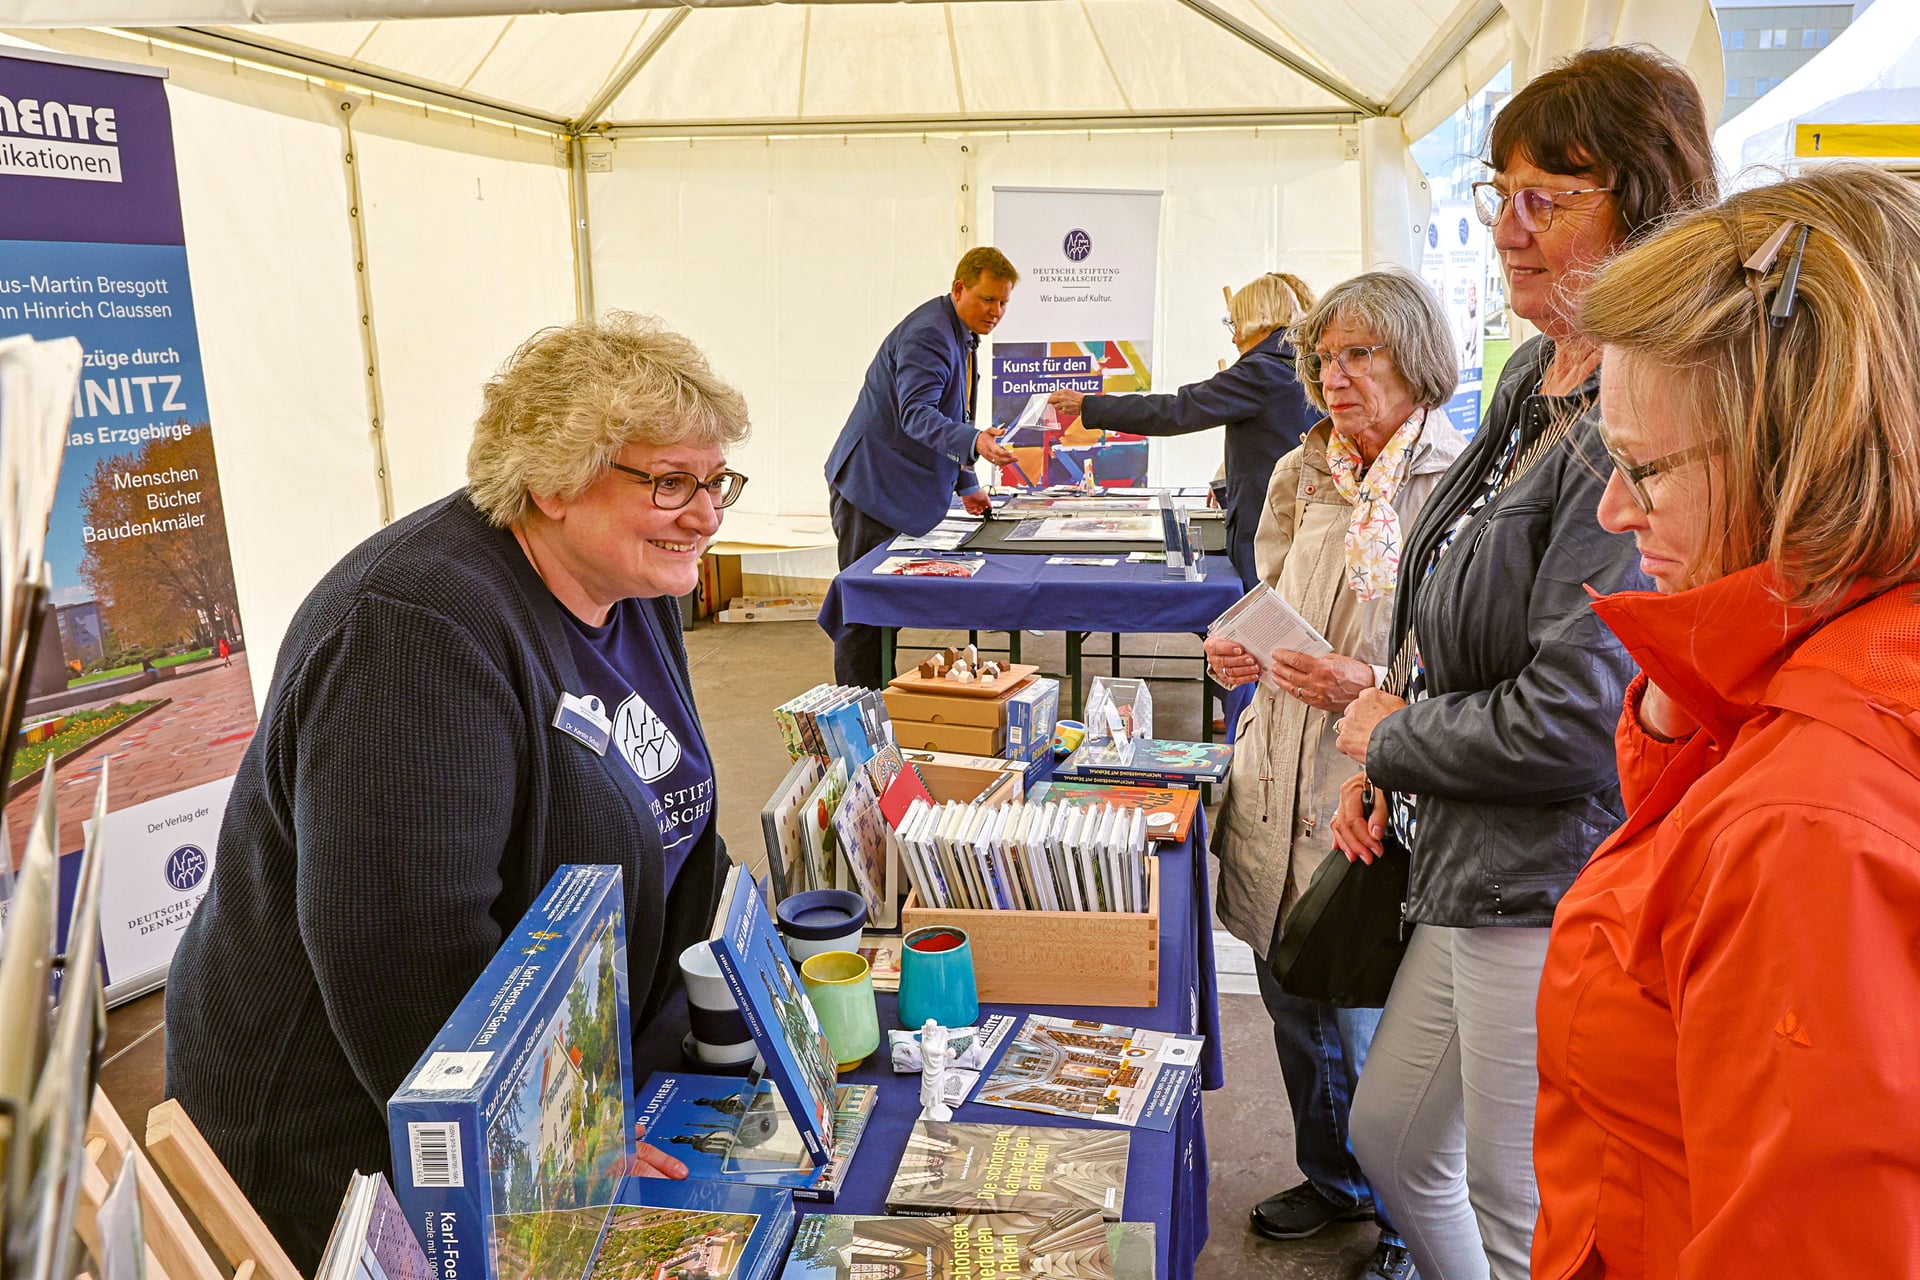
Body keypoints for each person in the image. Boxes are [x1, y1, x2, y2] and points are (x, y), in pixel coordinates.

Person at [165, 313, 749, 1269]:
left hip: (561, 1083)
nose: (706, 515)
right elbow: (401, 951)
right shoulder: (411, 630)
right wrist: (548, 1149)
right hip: (348, 1132)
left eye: (715, 481)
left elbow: (675, 816)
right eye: (670, 483)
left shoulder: (635, 588)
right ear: (555, 483)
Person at [1326, 46, 1717, 1280]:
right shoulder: (1530, 380)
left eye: (1547, 198)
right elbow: (1447, 593)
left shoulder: (1638, 411)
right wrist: (1389, 746)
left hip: (1548, 874)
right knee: (1395, 1138)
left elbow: (1571, 719)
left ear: (1643, 202)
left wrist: (1391, 733)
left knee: (1523, 1200)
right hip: (1466, 854)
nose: (1507, 228)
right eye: (1499, 193)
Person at [1532, 165, 1920, 1277]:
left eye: (1643, 469)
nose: (1614, 509)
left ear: (1807, 459)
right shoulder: (1830, 684)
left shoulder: (1808, 822)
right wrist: (1688, 703)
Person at [1203, 268, 1466, 1280]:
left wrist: (1377, 685)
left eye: (1361, 354)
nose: (1336, 376)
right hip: (1278, 772)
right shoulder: (1302, 469)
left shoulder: (1457, 482)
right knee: (1291, 996)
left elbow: (1473, 660)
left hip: (1374, 787)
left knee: (1371, 1023)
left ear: (1417, 359)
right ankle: (1335, 1178)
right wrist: (1236, 645)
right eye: (1323, 357)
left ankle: (1404, 1221)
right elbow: (1272, 592)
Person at [1048, 272, 1320, 588]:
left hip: (1267, 525)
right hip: (1297, 518)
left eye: (1235, 324)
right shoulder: (1302, 365)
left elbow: (1176, 411)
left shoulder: (1260, 371)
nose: (1234, 338)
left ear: (1260, 319)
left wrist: (1089, 406)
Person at [824, 247, 1020, 686]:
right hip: (870, 487)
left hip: (892, 486)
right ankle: (859, 709)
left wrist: (967, 483)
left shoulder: (960, 332)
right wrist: (974, 442)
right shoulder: (929, 333)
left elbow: (955, 411)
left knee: (883, 612)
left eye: (1004, 302)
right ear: (959, 288)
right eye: (988, 299)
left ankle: (880, 699)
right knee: (866, 613)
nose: (996, 311)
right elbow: (916, 414)